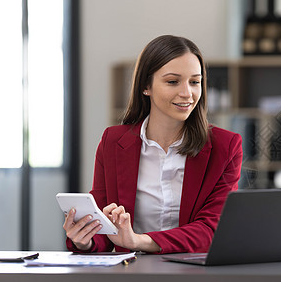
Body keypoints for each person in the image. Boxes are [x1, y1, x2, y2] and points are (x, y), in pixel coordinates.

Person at [62, 35, 243, 254]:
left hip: (195, 272)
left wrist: (138, 241)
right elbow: (105, 231)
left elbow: (212, 229)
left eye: (195, 82)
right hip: (132, 272)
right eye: (173, 81)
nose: (187, 93)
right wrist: (86, 239)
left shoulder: (225, 147)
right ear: (146, 86)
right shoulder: (113, 142)